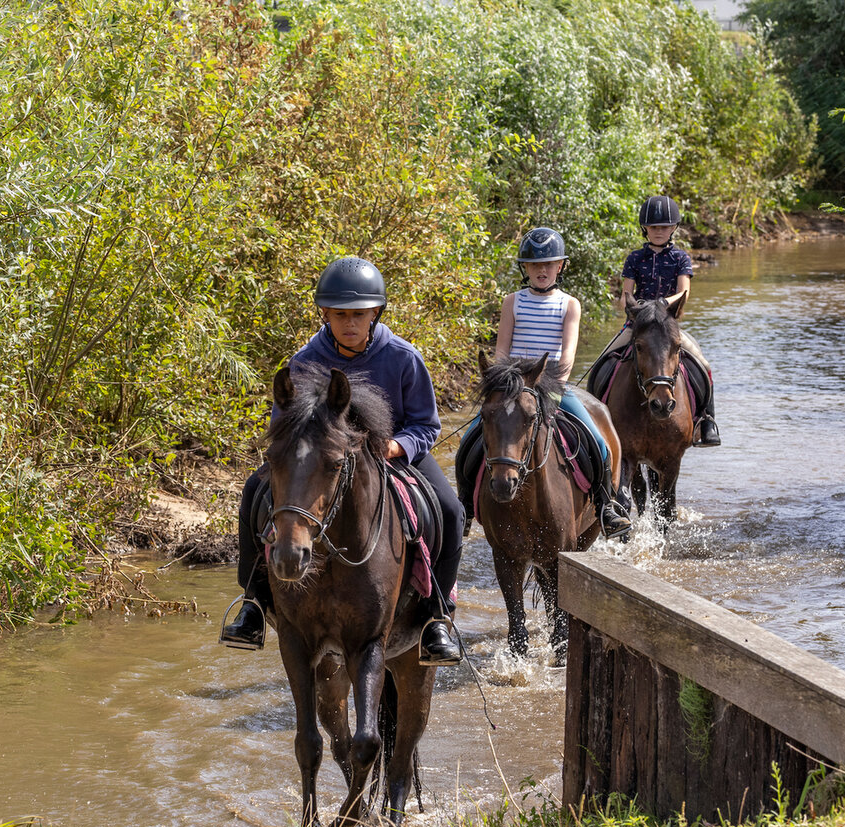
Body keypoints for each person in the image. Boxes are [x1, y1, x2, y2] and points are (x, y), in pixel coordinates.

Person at [219, 256, 464, 666]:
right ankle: (254, 604)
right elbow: (285, 428)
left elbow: (426, 425)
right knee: (252, 492)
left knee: (451, 509)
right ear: (325, 315)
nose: (350, 323)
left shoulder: (403, 358)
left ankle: (436, 617)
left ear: (375, 314)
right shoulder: (304, 360)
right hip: (319, 465)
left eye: (359, 315)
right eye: (340, 315)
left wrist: (396, 447)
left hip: (390, 459)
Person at [455, 228, 633, 539]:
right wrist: (507, 384)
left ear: (560, 266)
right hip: (512, 388)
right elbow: (501, 352)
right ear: (524, 268)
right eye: (535, 265)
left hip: (551, 387)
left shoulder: (569, 304)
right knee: (468, 440)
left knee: (599, 441)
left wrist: (548, 385)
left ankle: (607, 507)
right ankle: (465, 509)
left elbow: (567, 355)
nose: (542, 270)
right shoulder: (512, 302)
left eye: (548, 264)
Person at [605, 195, 720, 446]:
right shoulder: (635, 258)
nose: (659, 231)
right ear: (645, 228)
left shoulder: (681, 258)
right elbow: (626, 296)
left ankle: (707, 421)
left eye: (664, 227)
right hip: (638, 325)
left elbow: (683, 293)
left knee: (704, 364)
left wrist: (660, 305)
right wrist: (639, 309)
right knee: (602, 362)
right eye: (654, 227)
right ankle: (599, 418)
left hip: (668, 327)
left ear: (673, 228)